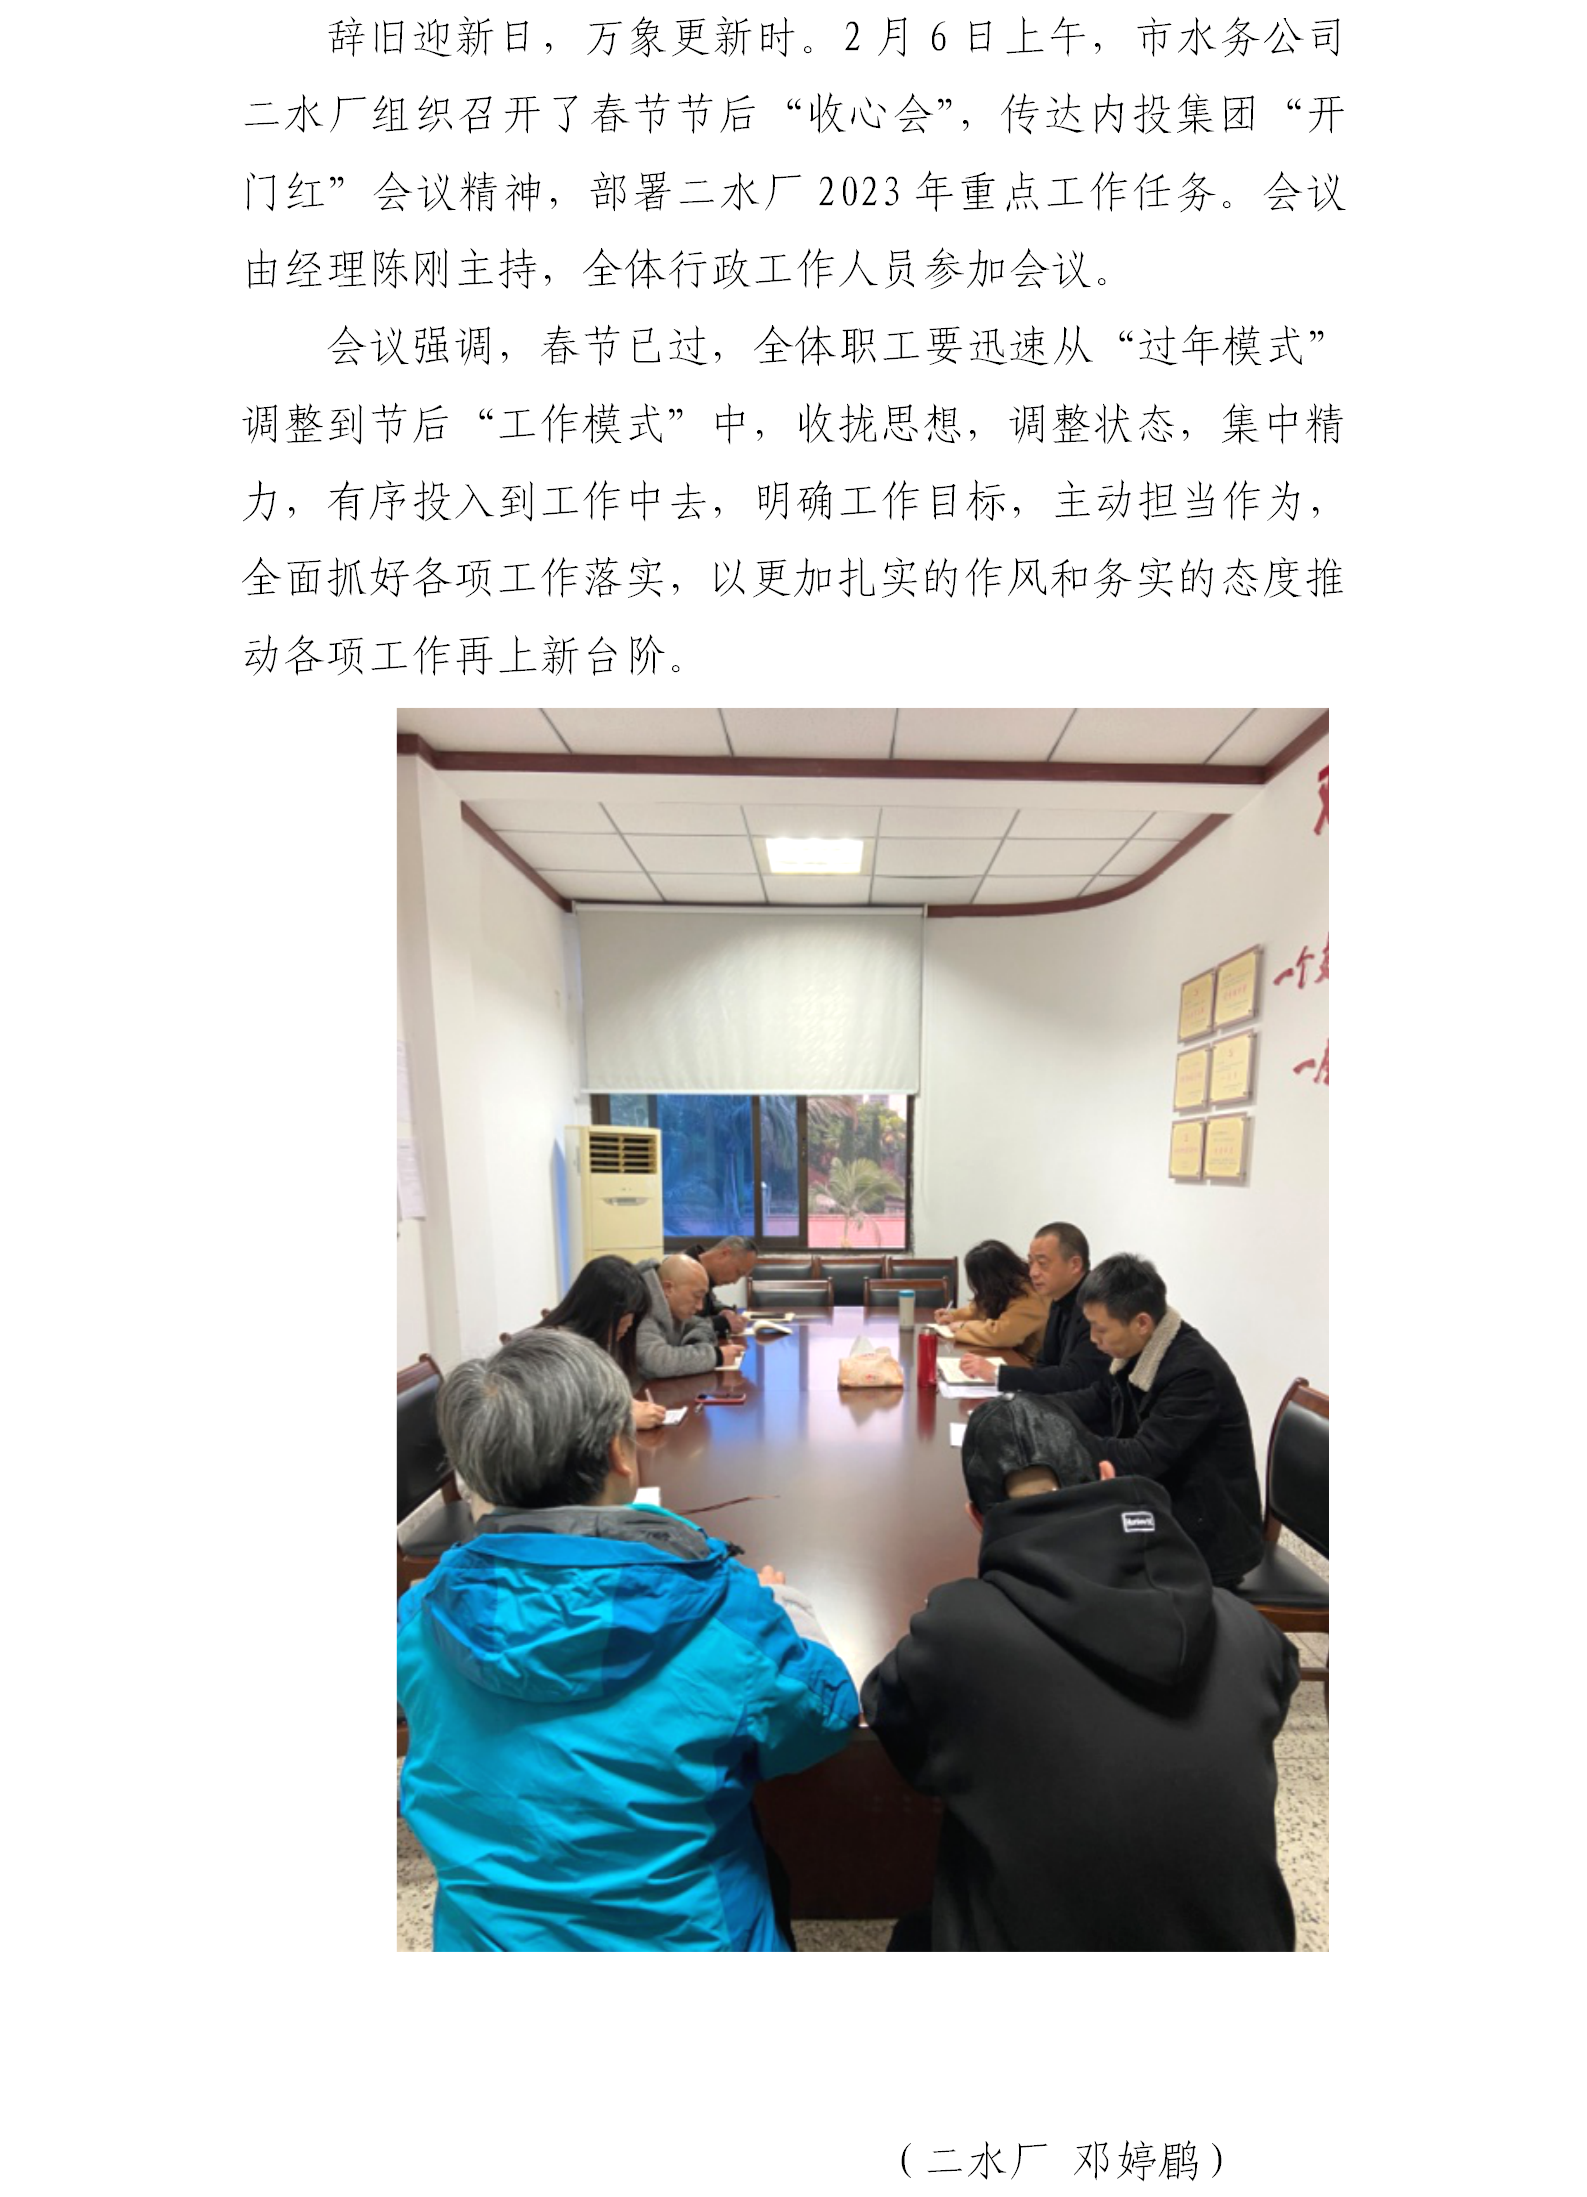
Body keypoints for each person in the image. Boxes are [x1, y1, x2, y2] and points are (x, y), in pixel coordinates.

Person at [398, 1330, 859, 1950]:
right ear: (621, 1451)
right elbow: (826, 1716)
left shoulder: (418, 1615)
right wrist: (786, 1607)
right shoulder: (725, 1613)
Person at [862, 1394, 1298, 1951]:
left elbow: (893, 1723)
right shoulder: (1249, 1629)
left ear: (977, 1519)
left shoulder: (956, 1633)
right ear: (1107, 1475)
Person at [1057, 1252, 1265, 1587]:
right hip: (1165, 1502)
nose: (1093, 1339)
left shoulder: (1193, 1371)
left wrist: (1057, 1439)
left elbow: (1142, 1457)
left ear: (1141, 1323)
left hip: (1207, 1536)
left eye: (1101, 1328)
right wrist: (1035, 1408)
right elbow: (1097, 1398)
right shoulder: (1139, 1347)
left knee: (1074, 1559)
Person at [958, 1221, 1109, 1394]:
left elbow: (1076, 1378)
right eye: (1031, 1262)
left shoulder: (1097, 1307)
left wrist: (998, 1374)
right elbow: (1044, 1363)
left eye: (1042, 1263)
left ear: (1075, 1264)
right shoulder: (1059, 1298)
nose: (1033, 1272)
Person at [535, 1254, 667, 1429]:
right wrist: (624, 1421)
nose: (630, 1323)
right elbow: (558, 1422)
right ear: (599, 1309)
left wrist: (624, 1404)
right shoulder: (555, 1351)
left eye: (634, 1315)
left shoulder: (593, 1341)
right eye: (627, 1314)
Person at [634, 1253, 746, 1380]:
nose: (700, 1307)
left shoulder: (673, 1306)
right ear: (668, 1288)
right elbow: (655, 1361)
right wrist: (716, 1356)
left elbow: (701, 1324)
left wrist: (694, 1345)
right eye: (697, 1296)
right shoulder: (640, 1305)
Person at [937, 1238, 1048, 1355]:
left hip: (1028, 1361)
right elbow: (977, 1309)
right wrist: (952, 1316)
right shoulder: (1004, 1289)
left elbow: (1001, 1335)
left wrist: (963, 1326)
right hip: (1009, 1355)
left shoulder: (1028, 1295)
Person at [682, 1235, 759, 1337]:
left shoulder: (704, 1271)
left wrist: (724, 1310)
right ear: (725, 1253)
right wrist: (721, 1323)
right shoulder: (681, 1270)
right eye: (738, 1273)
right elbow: (678, 1324)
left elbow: (709, 1304)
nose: (735, 1281)